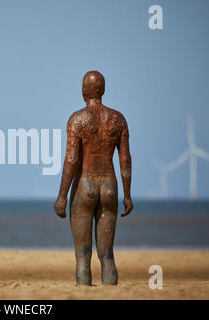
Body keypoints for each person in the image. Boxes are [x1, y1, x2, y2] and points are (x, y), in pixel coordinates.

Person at [54, 71, 133, 286]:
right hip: (109, 187)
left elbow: (71, 160)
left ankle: (84, 290)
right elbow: (125, 159)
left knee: (82, 256)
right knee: (107, 254)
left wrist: (61, 196)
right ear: (103, 90)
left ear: (84, 90)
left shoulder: (76, 119)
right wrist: (127, 195)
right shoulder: (118, 119)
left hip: (84, 187)